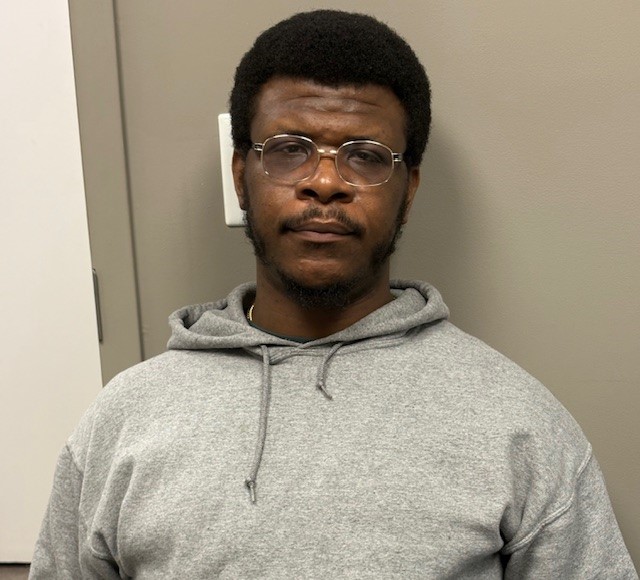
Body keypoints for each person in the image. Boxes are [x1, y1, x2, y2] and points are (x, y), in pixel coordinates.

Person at [30, 10, 637, 579]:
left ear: (408, 190)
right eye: (290, 151)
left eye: (365, 157)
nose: (324, 183)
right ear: (241, 175)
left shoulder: (517, 423)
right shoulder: (124, 420)